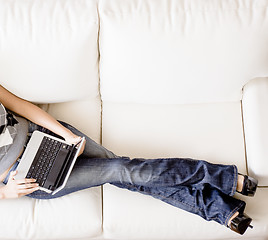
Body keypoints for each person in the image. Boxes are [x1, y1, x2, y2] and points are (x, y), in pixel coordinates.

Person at [0, 85, 258, 235]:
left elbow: (21, 106)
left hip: (43, 134)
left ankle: (221, 210)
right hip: (24, 175)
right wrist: (6, 193)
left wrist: (64, 133)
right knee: (123, 170)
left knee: (125, 172)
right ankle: (220, 178)